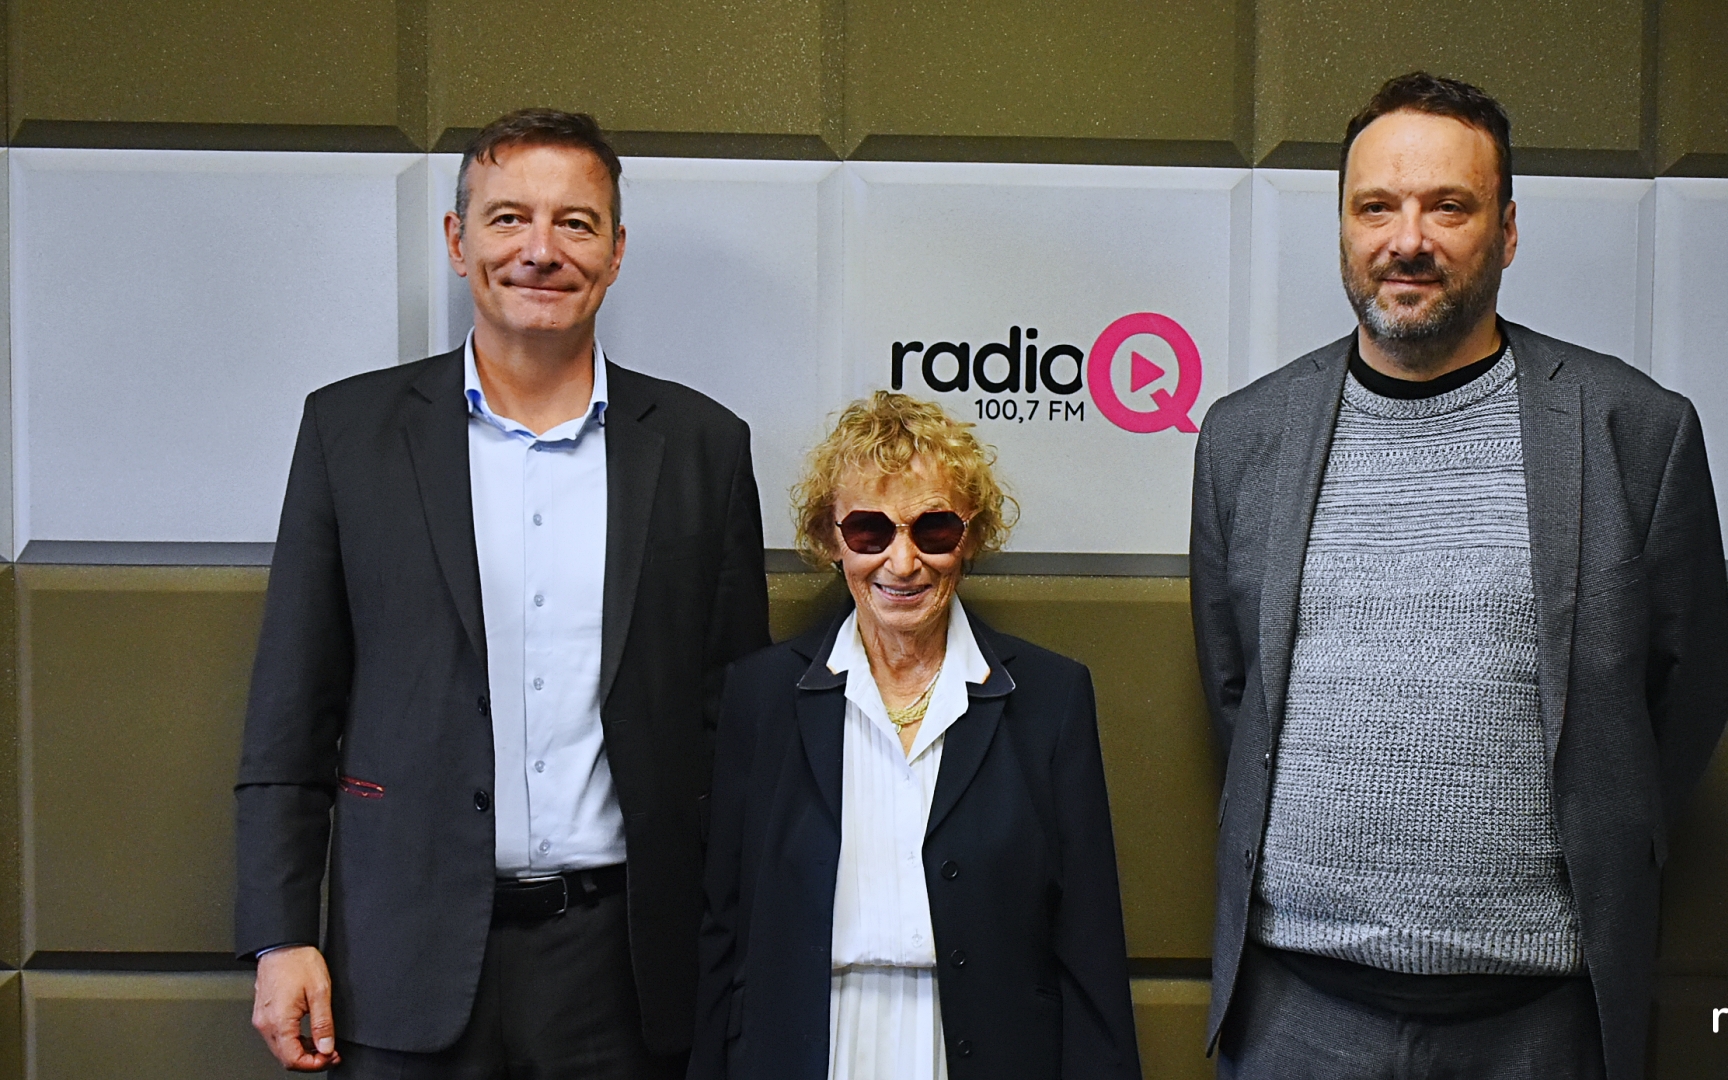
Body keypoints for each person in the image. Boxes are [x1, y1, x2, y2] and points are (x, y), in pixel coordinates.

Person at [1191, 73, 1728, 1079]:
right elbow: (1237, 692)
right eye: (1376, 207)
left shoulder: (1637, 433)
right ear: (1343, 227)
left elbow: (1683, 698)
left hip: (1539, 1021)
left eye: (1449, 206)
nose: (1408, 240)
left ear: (1508, 230)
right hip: (1294, 1014)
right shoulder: (1243, 437)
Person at [234, 108, 770, 1078]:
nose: (540, 250)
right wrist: (281, 935)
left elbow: (731, 729)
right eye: (509, 217)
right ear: (458, 240)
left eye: (576, 223)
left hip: (626, 973)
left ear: (615, 251)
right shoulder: (350, 435)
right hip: (403, 959)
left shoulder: (704, 448)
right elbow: (291, 712)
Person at [693, 392, 1141, 1080]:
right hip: (812, 1047)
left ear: (970, 537)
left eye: (933, 529)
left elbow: (1088, 944)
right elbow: (725, 930)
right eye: (868, 531)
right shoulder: (761, 698)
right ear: (829, 539)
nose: (902, 563)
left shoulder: (1051, 699)